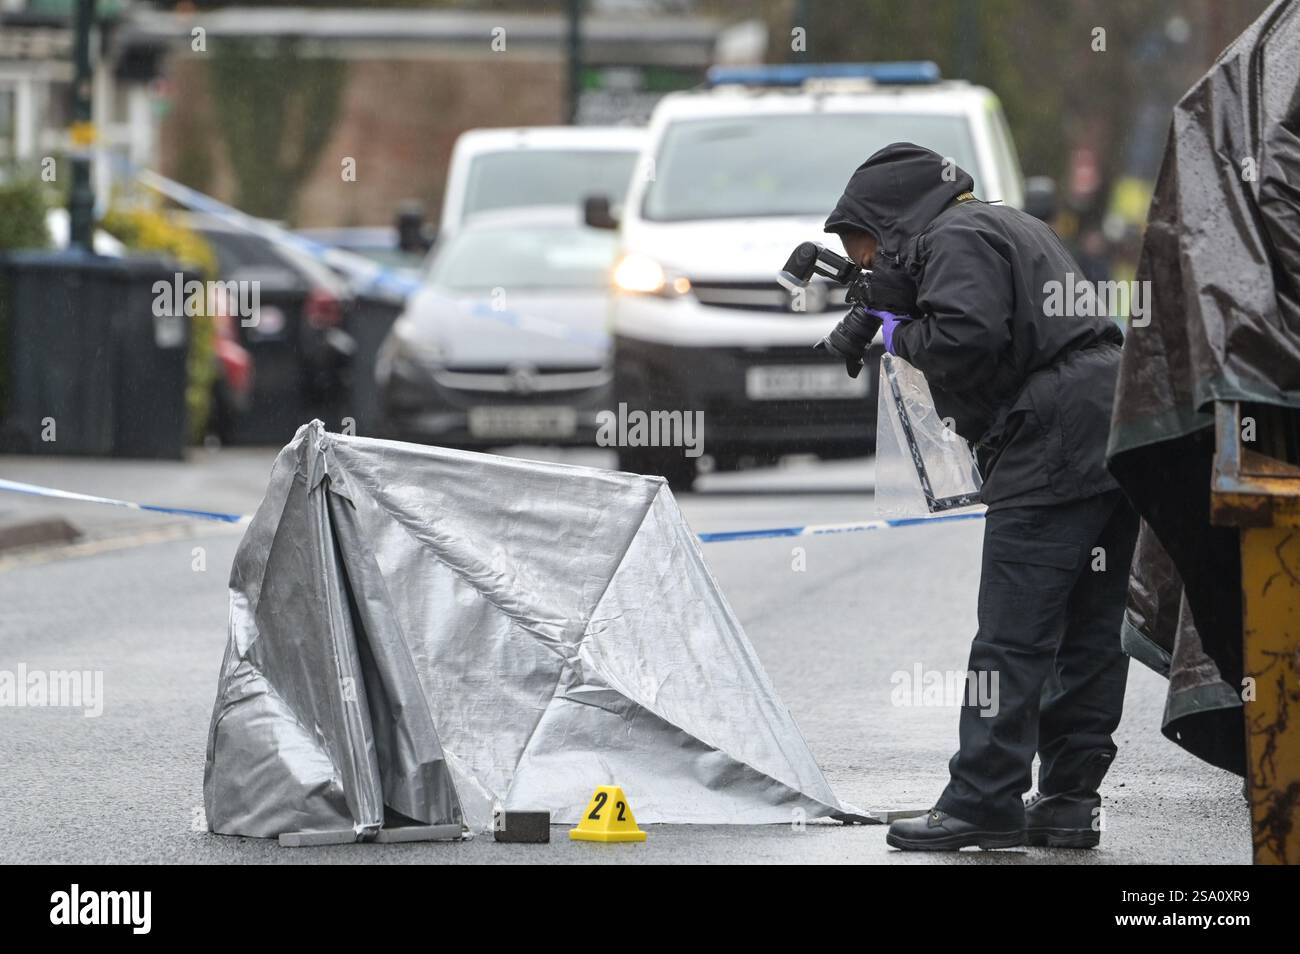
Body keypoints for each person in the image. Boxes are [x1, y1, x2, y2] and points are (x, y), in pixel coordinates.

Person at [820, 142, 1139, 850]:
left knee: (1014, 633)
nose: (865, 264)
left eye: (862, 247)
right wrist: (899, 302)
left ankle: (982, 799)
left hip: (1054, 435)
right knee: (1090, 630)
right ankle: (1065, 801)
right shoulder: (1001, 223)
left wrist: (896, 329)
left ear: (887, 219)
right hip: (1110, 423)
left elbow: (966, 337)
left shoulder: (953, 237)